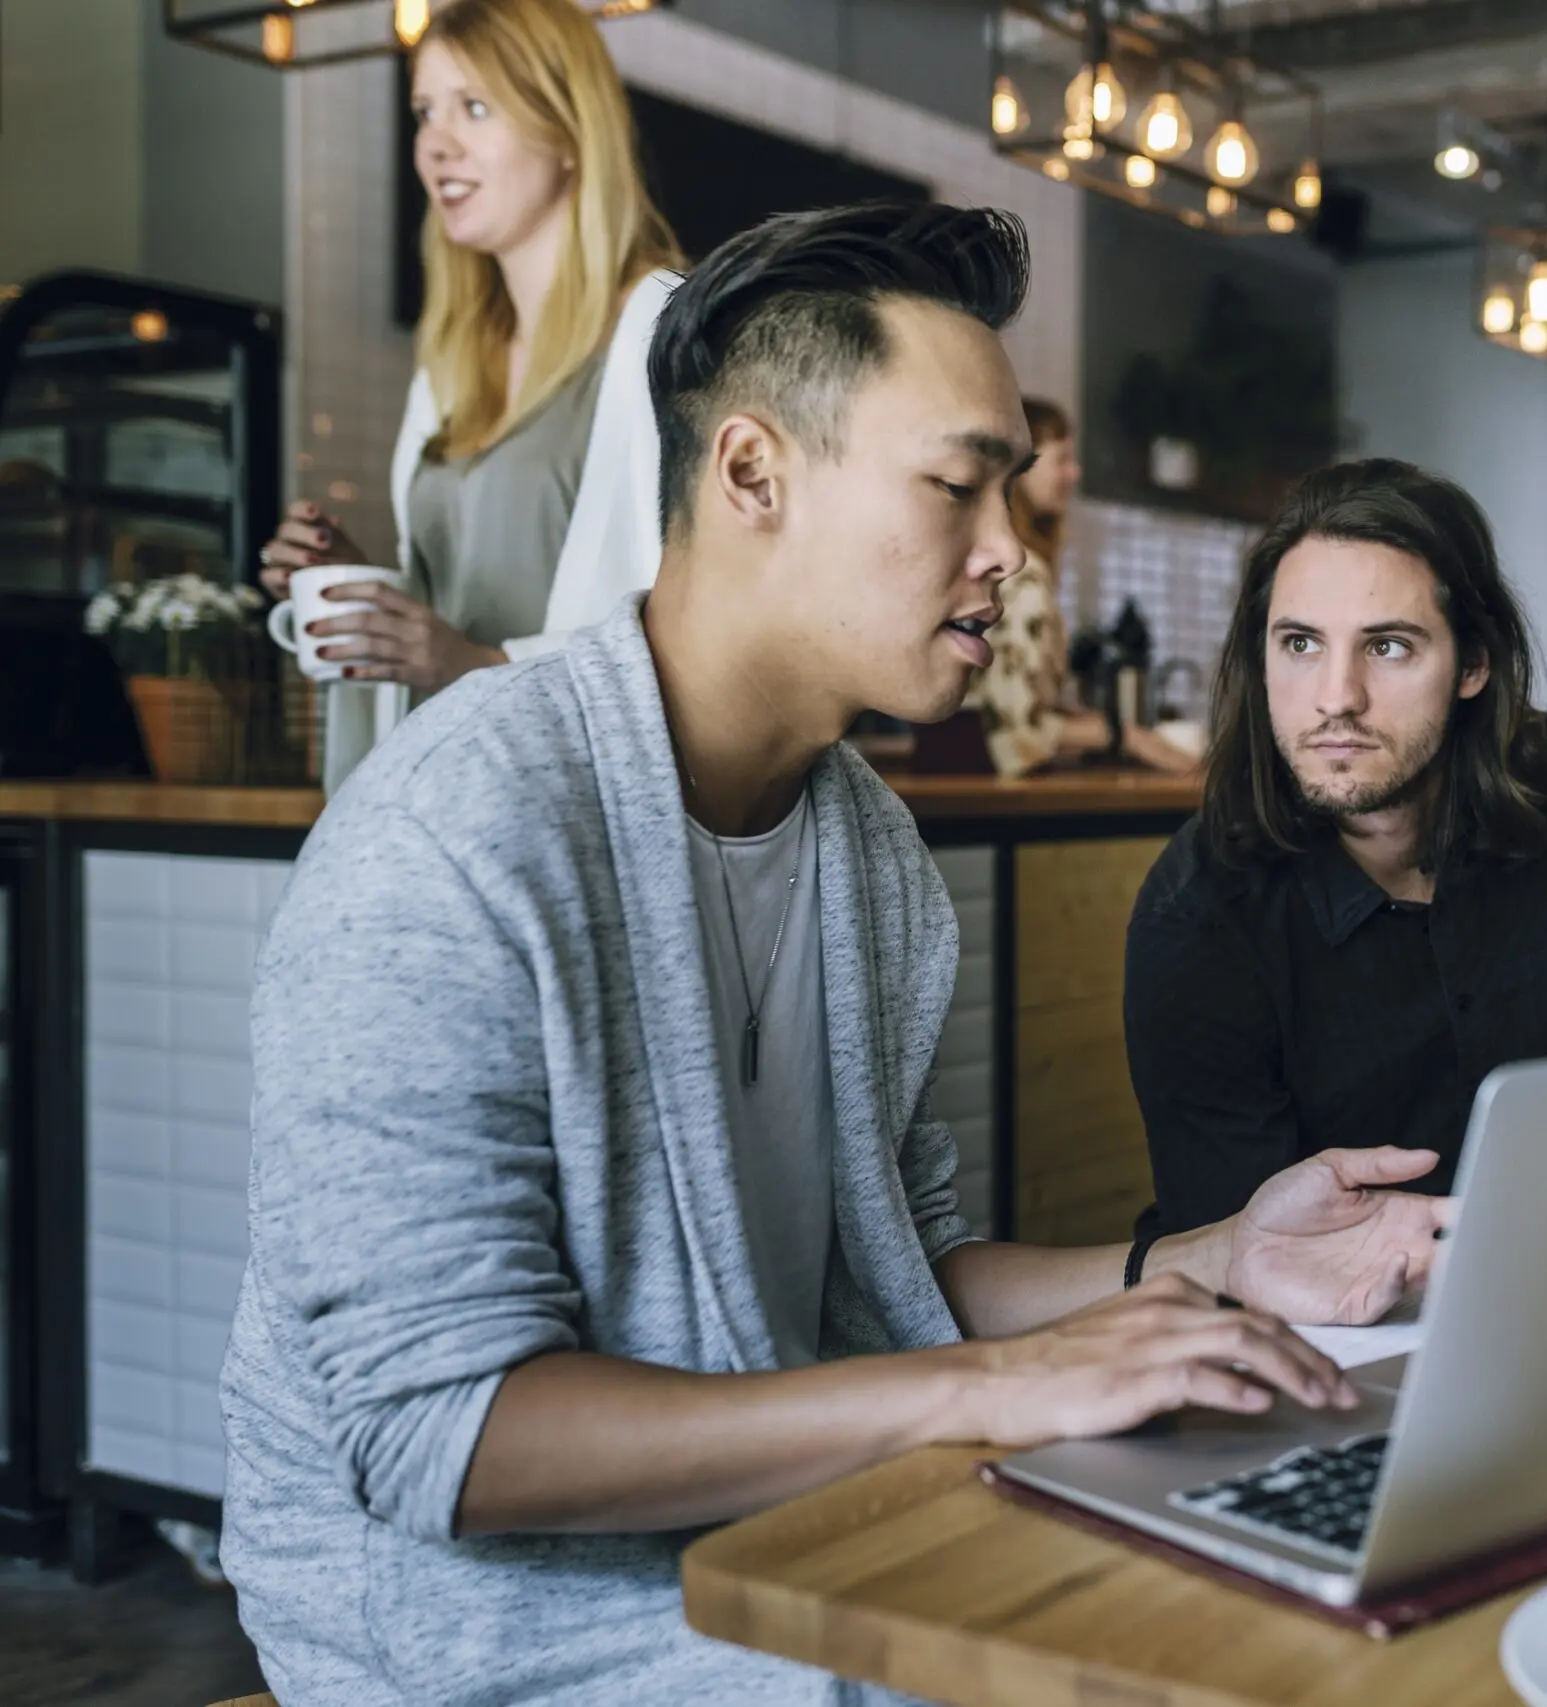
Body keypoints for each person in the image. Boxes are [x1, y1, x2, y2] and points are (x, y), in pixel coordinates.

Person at [221, 204, 1456, 1707]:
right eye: (959, 486)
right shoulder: (453, 839)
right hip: (471, 1626)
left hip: (789, 1531)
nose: (1009, 551)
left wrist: (1214, 1260)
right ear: (752, 471)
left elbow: (900, 1274)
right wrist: (994, 1390)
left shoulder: (864, 846)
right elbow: (444, 1437)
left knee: (1306, 1584)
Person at [1122, 458, 1547, 1242]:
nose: (1337, 696)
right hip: (1303, 1323)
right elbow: (1241, 1255)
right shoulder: (1198, 914)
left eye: (1388, 647)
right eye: (1301, 643)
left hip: (1544, 1263)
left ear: (1473, 663)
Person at [256, 0, 683, 693]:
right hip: (461, 782)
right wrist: (356, 585)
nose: (435, 145)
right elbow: (456, 613)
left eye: (474, 108)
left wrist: (477, 666)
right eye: (425, 112)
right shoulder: (452, 360)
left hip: (578, 790)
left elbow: (704, 623)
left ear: (570, 129)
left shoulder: (662, 327)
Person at [960, 397, 1192, 776]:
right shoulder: (1022, 575)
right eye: (1062, 459)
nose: (1075, 472)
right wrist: (1124, 736)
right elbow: (1018, 732)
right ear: (1020, 468)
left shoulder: (1004, 569)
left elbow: (1017, 702)